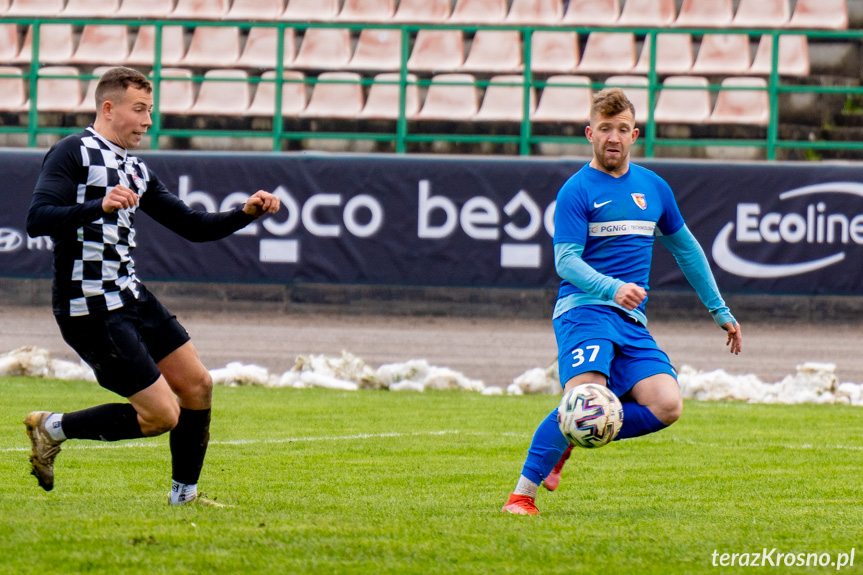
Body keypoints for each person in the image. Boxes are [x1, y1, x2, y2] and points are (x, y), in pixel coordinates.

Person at [23, 66, 281, 506]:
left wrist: (246, 212)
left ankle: (185, 496)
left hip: (129, 295)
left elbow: (194, 226)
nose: (147, 121)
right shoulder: (73, 152)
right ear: (108, 108)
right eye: (139, 110)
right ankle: (52, 427)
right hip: (88, 305)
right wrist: (96, 205)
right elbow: (37, 219)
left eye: (151, 111)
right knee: (161, 414)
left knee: (198, 385)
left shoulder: (136, 169)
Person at [501, 88, 743, 515]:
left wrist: (719, 310)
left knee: (667, 405)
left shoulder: (654, 188)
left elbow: (686, 250)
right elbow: (565, 261)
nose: (613, 137)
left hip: (630, 320)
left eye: (622, 129)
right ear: (589, 134)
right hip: (584, 311)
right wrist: (611, 288)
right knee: (582, 399)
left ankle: (574, 433)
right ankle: (521, 496)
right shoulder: (576, 191)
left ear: (635, 134)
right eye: (605, 129)